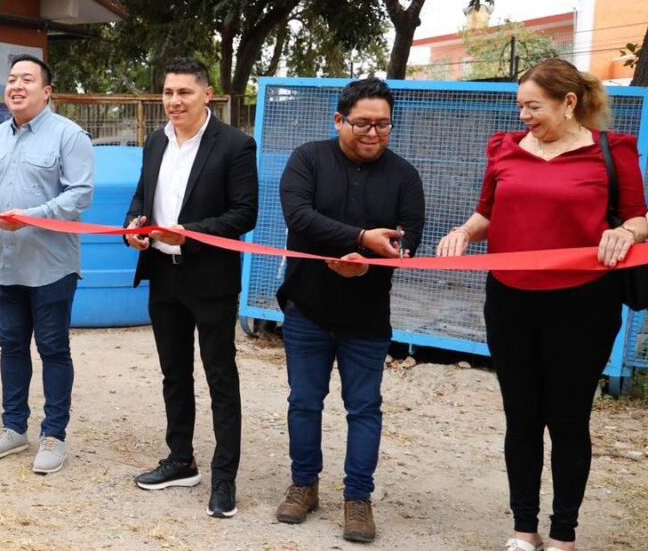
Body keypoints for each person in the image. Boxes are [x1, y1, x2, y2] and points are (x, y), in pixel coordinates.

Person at [436, 59, 646, 551]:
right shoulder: (505, 150)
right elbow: (487, 211)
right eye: (520, 107)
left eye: (533, 106)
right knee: (522, 417)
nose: (524, 116)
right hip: (510, 301)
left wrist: (623, 231)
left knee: (569, 418)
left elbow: (639, 217)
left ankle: (564, 535)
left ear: (569, 103)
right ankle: (523, 529)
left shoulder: (612, 152)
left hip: (584, 304)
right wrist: (464, 232)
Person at [273, 78, 425, 543]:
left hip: (367, 316)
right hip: (308, 309)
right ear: (339, 120)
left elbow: (409, 237)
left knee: (364, 408)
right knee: (304, 401)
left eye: (383, 125)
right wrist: (360, 240)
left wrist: (372, 261)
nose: (373, 133)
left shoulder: (404, 176)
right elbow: (298, 215)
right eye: (362, 123)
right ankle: (304, 485)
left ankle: (357, 498)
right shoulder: (308, 160)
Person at [122, 58, 258, 518]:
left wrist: (192, 232)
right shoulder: (155, 141)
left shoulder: (236, 145)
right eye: (167, 92)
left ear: (207, 94)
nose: (174, 101)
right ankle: (181, 460)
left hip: (211, 277)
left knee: (221, 376)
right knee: (174, 373)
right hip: (162, 273)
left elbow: (244, 214)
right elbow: (142, 196)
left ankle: (224, 478)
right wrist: (133, 226)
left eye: (184, 92)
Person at [0, 54, 94, 474]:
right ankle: (13, 428)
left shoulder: (69, 137)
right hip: (4, 261)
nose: (16, 86)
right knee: (11, 347)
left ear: (47, 90)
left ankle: (54, 435)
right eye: (11, 79)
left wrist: (33, 214)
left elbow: (80, 195)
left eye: (27, 79)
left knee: (54, 349)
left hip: (52, 265)